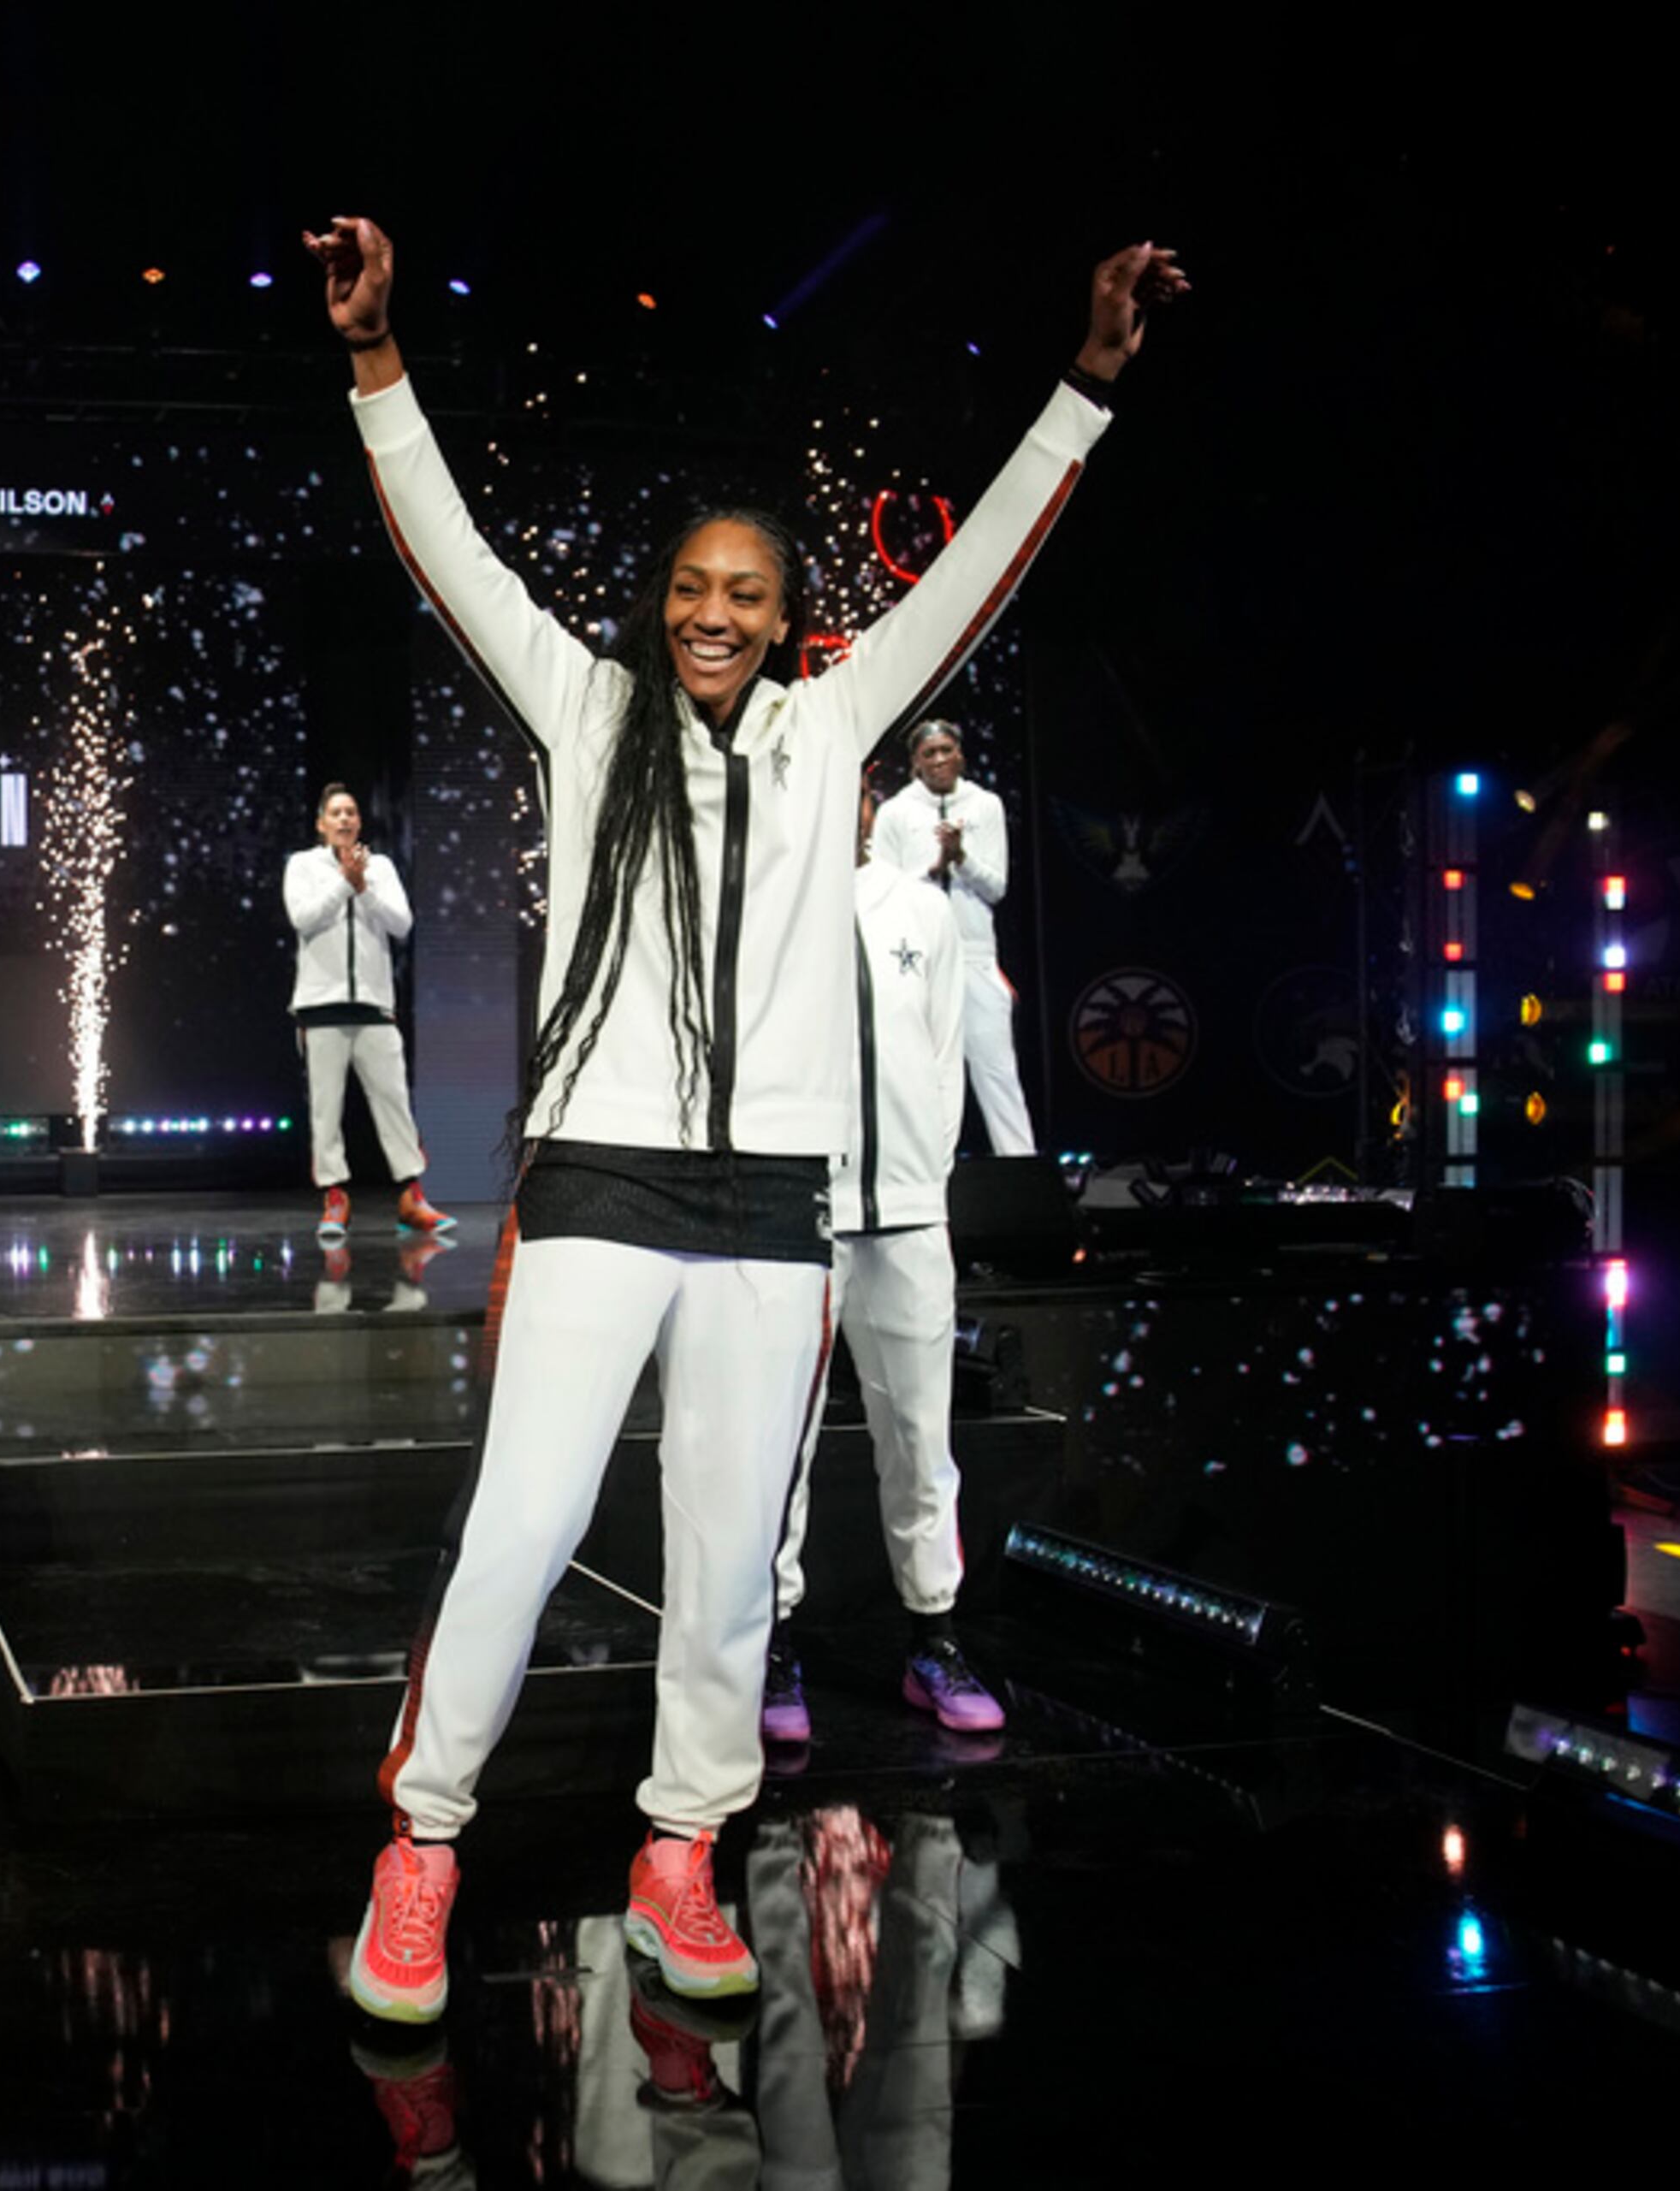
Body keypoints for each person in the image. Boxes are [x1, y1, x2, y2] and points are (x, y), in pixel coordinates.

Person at [310, 212, 1179, 2022]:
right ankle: (425, 1840)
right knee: (526, 1522)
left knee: (723, 1558)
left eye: (748, 597)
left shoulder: (835, 724)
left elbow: (987, 571)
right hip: (602, 1179)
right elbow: (450, 552)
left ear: (791, 623)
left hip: (776, 1203)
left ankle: (681, 1844)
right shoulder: (589, 701)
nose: (712, 614)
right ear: (661, 600)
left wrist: (1086, 386)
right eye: (692, 587)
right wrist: (379, 362)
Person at [761, 792, 1003, 1750]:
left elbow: (945, 1056)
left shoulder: (921, 906)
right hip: (799, 1220)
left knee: (919, 1439)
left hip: (907, 1215)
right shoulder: (765, 905)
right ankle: (770, 1647)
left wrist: (921, 1176)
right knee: (782, 1447)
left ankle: (934, 1640)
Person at [287, 782, 453, 1241]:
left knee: (395, 1101)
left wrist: (365, 888)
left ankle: (412, 1196)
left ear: (359, 821)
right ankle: (335, 1199)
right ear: (322, 823)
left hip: (375, 1005)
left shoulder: (379, 866)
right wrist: (344, 884)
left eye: (352, 813)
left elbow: (401, 923)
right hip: (321, 1005)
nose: (344, 819)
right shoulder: (303, 865)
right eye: (336, 813)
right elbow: (303, 918)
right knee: (326, 1109)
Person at [868, 720, 1034, 1153]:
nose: (939, 760)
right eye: (929, 754)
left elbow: (996, 887)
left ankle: (1021, 1171)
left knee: (997, 1071)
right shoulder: (896, 813)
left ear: (960, 754)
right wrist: (932, 869)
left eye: (946, 751)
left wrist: (960, 858)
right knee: (922, 1074)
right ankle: (924, 1177)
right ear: (915, 764)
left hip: (975, 954)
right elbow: (881, 889)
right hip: (915, 958)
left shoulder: (985, 805)